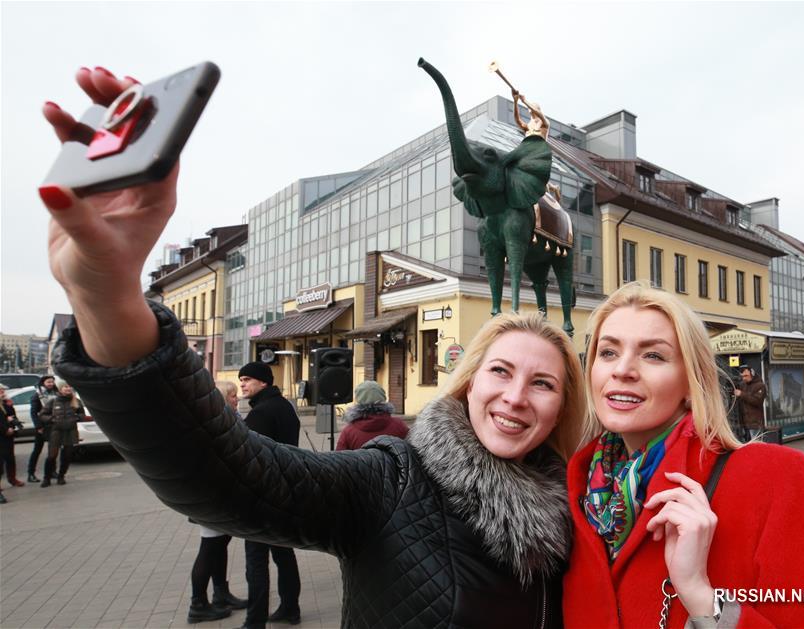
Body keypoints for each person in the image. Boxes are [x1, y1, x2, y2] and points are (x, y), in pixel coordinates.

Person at [38, 65, 590, 624]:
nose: (516, 396)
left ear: (563, 405)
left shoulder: (582, 510)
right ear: (470, 380)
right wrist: (106, 296)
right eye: (500, 371)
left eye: (542, 382)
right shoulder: (391, 482)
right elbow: (229, 477)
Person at [563, 282, 804, 628]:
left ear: (692, 383)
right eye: (608, 352)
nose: (622, 369)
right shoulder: (576, 497)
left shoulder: (775, 479)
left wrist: (703, 598)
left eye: (653, 355)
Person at [238, 361, 302, 628]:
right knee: (283, 552)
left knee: (256, 559)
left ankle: (255, 620)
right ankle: (290, 608)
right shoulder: (284, 406)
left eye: (248, 379)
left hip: (261, 497)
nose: (242, 384)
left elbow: (251, 459)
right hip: (285, 493)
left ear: (263, 382)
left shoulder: (261, 414)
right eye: (241, 380)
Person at [185, 381, 249, 624]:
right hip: (211, 496)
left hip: (219, 494)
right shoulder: (212, 424)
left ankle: (221, 594)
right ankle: (198, 604)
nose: (237, 398)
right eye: (232, 396)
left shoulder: (228, 420)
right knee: (210, 547)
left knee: (220, 543)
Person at [335, 381, 408, 451]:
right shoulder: (399, 426)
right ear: (383, 398)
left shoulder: (348, 431)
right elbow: (412, 452)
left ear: (358, 400)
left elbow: (340, 459)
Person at [38, 379, 84, 487]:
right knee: (51, 456)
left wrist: (76, 418)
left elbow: (82, 414)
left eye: (69, 387)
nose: (68, 389)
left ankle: (61, 476)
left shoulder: (76, 401)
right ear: (60, 389)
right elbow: (42, 415)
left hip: (70, 431)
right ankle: (46, 478)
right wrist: (52, 419)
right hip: (56, 432)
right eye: (65, 387)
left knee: (67, 456)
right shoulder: (53, 401)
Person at [28, 374, 57, 482]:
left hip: (54, 425)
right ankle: (31, 474)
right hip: (42, 427)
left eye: (52, 382)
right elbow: (33, 412)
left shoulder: (56, 393)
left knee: (53, 450)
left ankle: (52, 471)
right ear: (43, 383)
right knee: (37, 450)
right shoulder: (37, 395)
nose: (50, 384)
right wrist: (38, 426)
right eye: (48, 382)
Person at [1, 385, 25, 489]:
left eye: (3, 391)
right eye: (0, 391)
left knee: (10, 458)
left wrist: (9, 405)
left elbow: (11, 416)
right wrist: (5, 429)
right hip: (2, 434)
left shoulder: (5, 403)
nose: (2, 393)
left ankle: (12, 479)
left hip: (8, 436)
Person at [734, 364, 766, 440]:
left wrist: (742, 394)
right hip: (743, 423)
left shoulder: (760, 385)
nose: (744, 378)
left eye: (746, 376)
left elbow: (757, 401)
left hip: (755, 423)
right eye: (742, 376)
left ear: (752, 373)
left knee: (757, 444)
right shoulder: (742, 385)